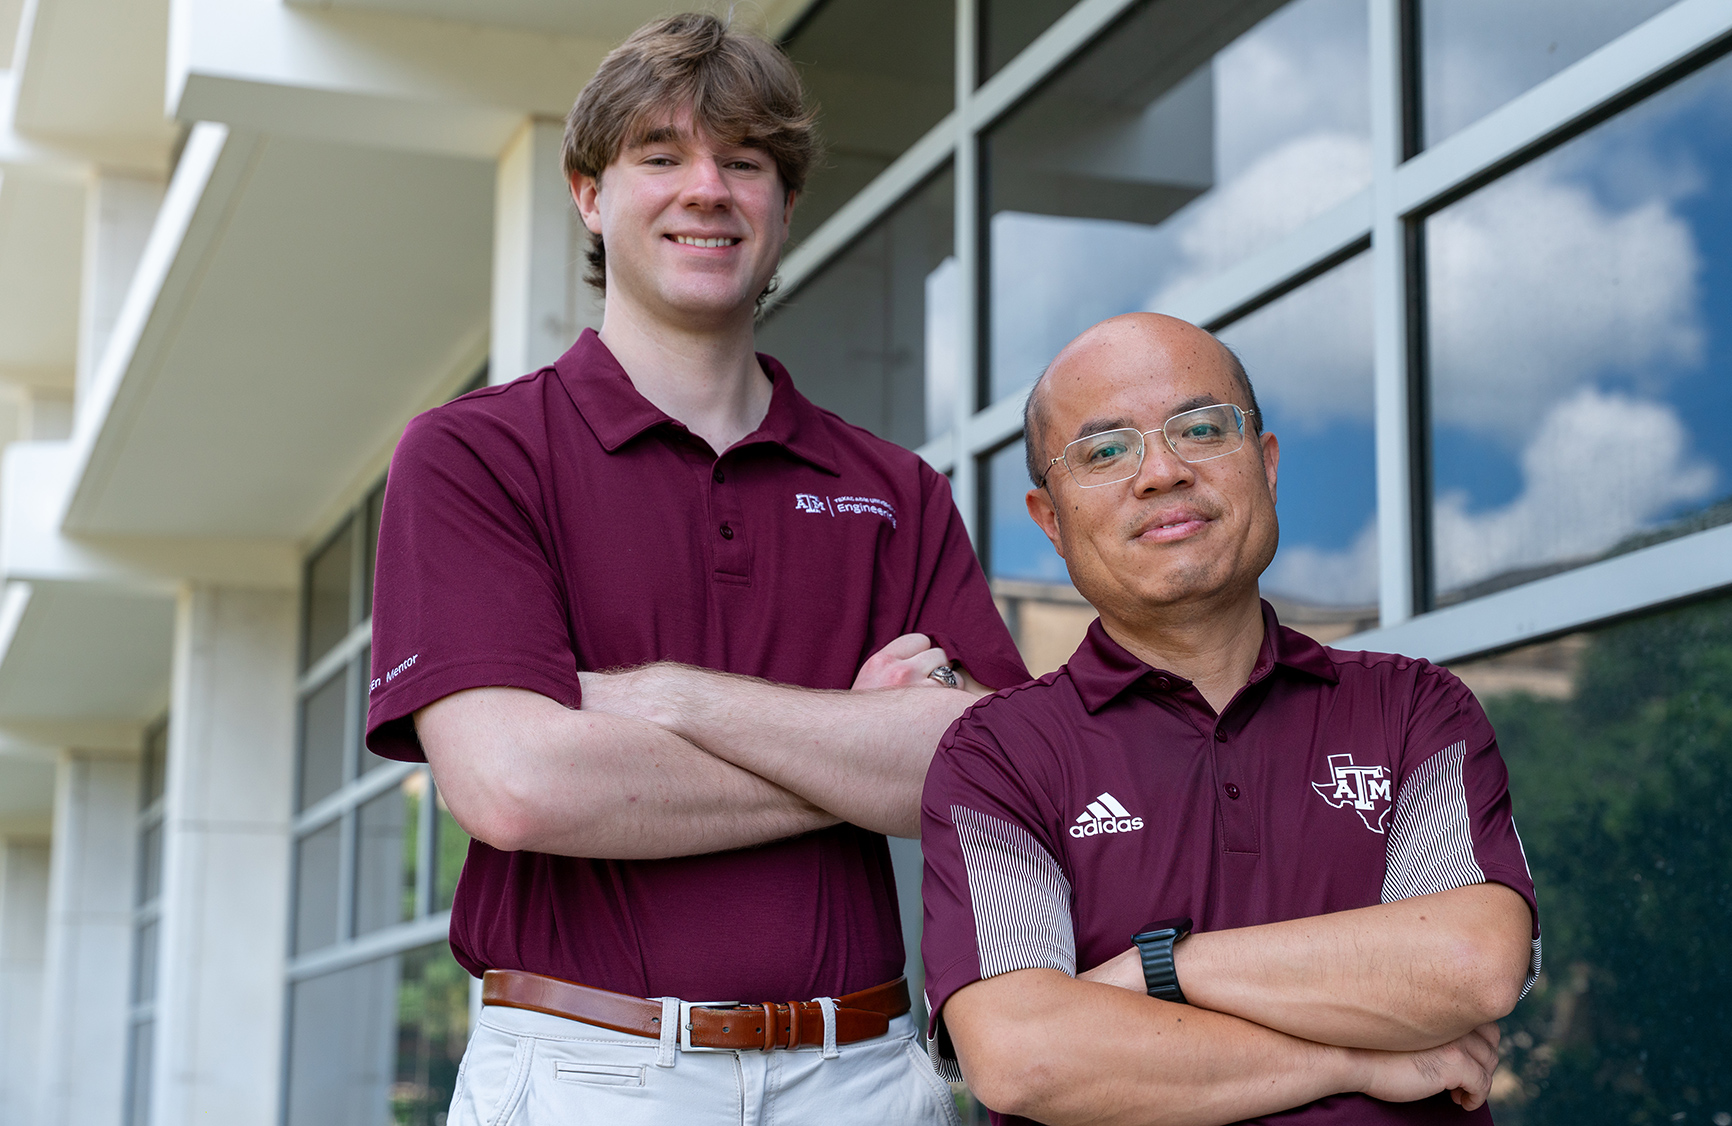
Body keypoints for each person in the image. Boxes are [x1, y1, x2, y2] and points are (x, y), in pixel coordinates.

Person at [364, 13, 1030, 1125]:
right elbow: (517, 789)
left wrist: (668, 702)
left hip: (858, 1072)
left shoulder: (893, 490)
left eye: (746, 162)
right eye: (661, 157)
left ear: (783, 204)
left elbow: (982, 766)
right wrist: (848, 742)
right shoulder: (475, 454)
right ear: (588, 193)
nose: (707, 189)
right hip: (589, 1069)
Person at [919, 313, 1540, 1125]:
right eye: (1106, 451)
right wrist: (1358, 1057)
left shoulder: (1414, 709)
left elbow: (1467, 966)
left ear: (1267, 464)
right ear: (1051, 521)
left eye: (1202, 429)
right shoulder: (999, 755)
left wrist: (1156, 971)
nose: (1162, 471)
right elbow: (1026, 1054)